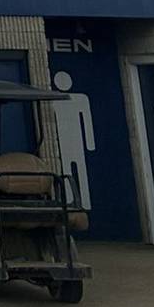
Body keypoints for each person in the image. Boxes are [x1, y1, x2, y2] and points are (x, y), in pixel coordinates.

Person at [52, 68, 95, 213]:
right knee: (67, 170)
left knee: (80, 169)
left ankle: (85, 201)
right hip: (63, 143)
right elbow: (51, 123)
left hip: (77, 141)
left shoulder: (80, 98)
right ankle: (70, 200)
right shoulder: (55, 100)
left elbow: (87, 121)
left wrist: (90, 143)